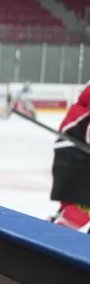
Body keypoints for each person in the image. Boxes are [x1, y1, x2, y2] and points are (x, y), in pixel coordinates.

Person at [49, 82, 90, 232]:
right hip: (77, 156)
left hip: (71, 155)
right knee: (83, 206)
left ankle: (48, 232)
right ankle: (55, 237)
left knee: (73, 206)